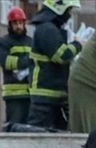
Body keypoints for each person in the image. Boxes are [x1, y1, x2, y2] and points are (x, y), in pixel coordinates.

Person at [27, 0, 83, 131]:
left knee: (58, 135)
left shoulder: (50, 28)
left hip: (54, 94)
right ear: (59, 8)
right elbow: (61, 56)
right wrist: (79, 44)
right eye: (68, 10)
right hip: (45, 96)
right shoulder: (47, 29)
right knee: (37, 135)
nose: (69, 14)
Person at [0, 7, 33, 127]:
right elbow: (6, 62)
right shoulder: (3, 42)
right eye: (15, 23)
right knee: (14, 126)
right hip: (13, 95)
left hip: (30, 93)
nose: (18, 26)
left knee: (30, 128)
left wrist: (24, 62)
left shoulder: (31, 42)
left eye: (21, 23)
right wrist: (28, 61)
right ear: (10, 25)